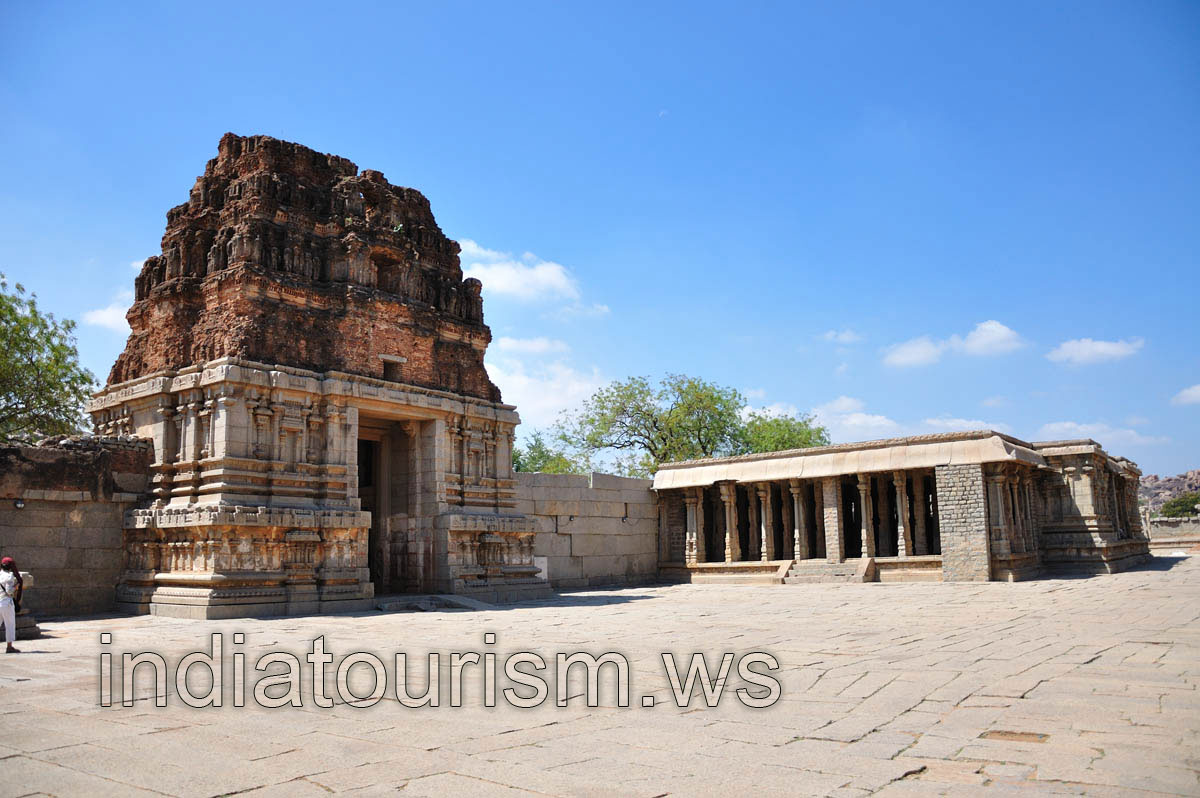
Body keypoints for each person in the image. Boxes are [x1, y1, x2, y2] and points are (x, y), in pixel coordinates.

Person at [0, 557, 21, 653]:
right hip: (6, 603)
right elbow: (9, 592)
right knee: (10, 625)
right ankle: (9, 646)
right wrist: (16, 587)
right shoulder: (9, 576)